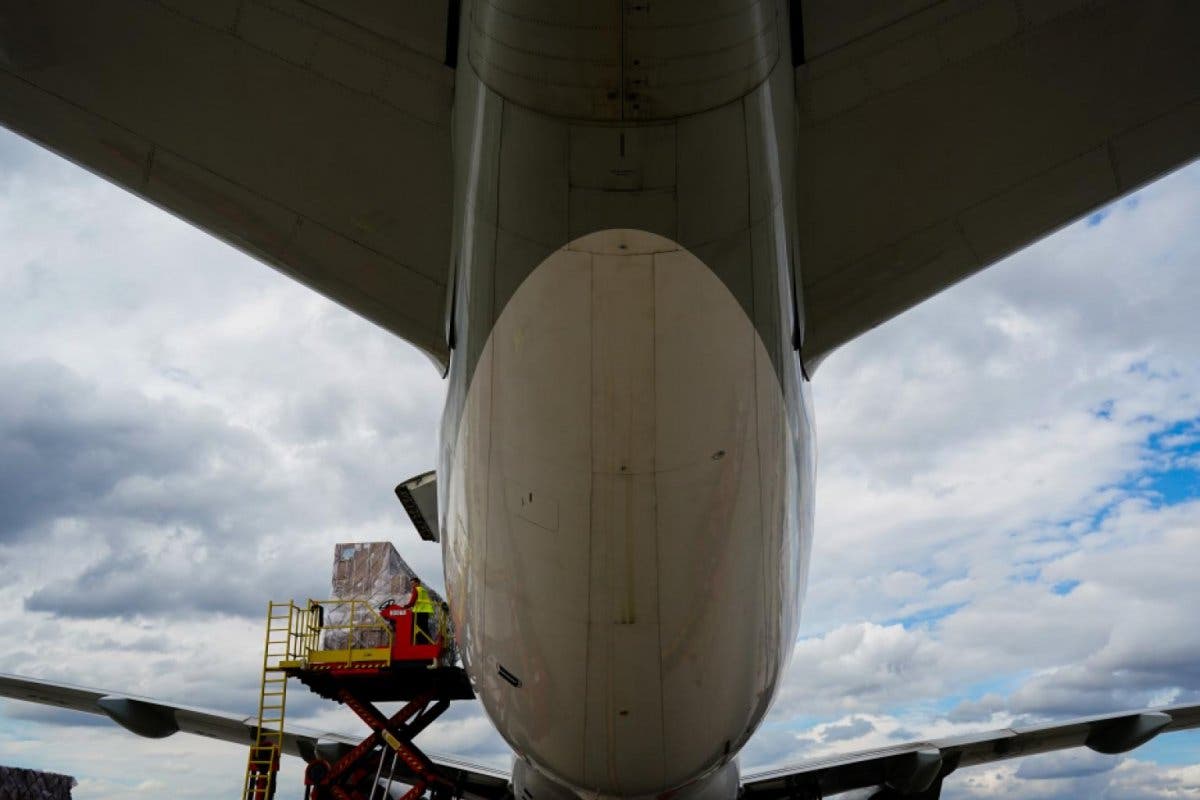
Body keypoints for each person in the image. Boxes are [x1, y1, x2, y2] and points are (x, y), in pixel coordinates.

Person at [404, 577, 436, 644]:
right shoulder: (423, 590)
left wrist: (405, 607)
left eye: (413, 583)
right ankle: (428, 642)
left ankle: (420, 644)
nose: (412, 585)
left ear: (417, 583)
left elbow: (412, 602)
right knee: (424, 628)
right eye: (411, 584)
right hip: (425, 612)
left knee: (415, 628)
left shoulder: (416, 589)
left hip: (419, 612)